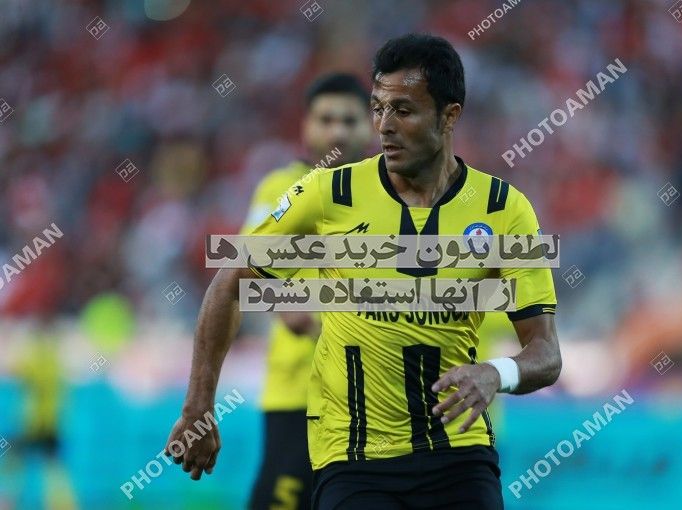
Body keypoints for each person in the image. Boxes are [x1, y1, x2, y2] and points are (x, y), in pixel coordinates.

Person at [165, 33, 561, 510]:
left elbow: (545, 353)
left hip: (459, 456)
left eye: (404, 111)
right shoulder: (329, 193)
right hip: (354, 461)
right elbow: (230, 284)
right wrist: (199, 405)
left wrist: (496, 374)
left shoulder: (504, 209)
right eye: (378, 109)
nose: (384, 126)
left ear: (449, 115)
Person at [240, 73, 372, 509]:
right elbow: (249, 269)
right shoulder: (280, 188)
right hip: (298, 391)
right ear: (305, 126)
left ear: (371, 125)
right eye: (326, 119)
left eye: (349, 120)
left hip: (372, 399)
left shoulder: (385, 193)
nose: (338, 132)